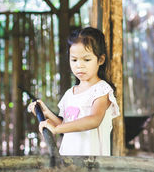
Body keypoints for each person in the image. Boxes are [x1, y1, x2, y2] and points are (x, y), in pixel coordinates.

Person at [28, 27, 120, 156]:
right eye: (74, 60)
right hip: (69, 160)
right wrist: (46, 113)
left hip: (93, 164)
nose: (79, 65)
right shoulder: (70, 94)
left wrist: (57, 128)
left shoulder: (101, 90)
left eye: (86, 60)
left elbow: (94, 120)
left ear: (100, 60)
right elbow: (66, 125)